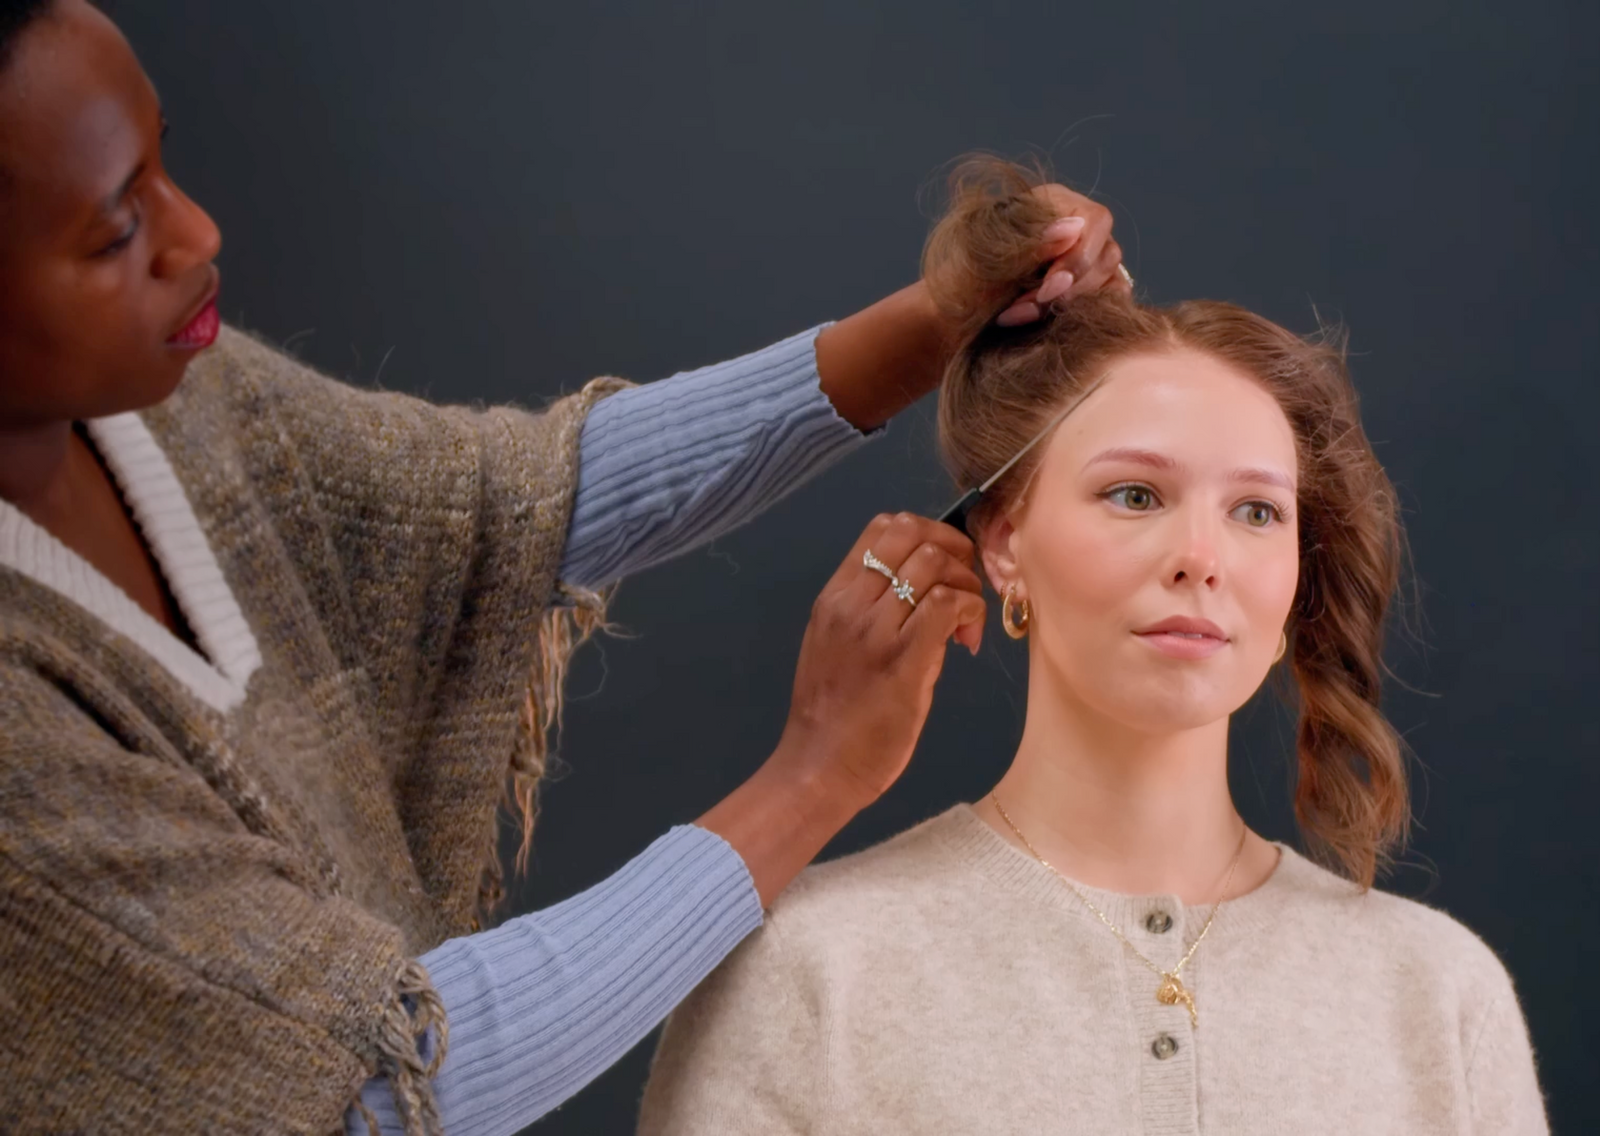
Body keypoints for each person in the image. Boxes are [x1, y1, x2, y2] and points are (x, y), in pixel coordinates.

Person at [0, 3, 1135, 1133]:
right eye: (113, 233)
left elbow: (497, 506)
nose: (196, 234)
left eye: (164, 162)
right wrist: (813, 774)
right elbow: (375, 1083)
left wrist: (937, 322)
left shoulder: (169, 399)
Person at [637, 157, 1548, 1134]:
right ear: (1003, 540)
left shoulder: (1437, 990)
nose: (1201, 556)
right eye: (1134, 494)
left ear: (1292, 575)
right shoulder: (805, 968)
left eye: (1254, 510)